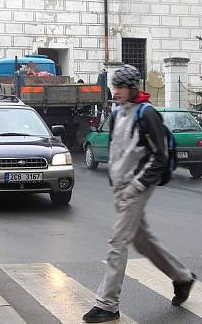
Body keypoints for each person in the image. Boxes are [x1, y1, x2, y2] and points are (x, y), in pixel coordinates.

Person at [83, 65, 195, 323]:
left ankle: (107, 304)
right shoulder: (119, 112)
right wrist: (116, 179)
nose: (116, 91)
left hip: (137, 187)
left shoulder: (148, 114)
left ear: (133, 87)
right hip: (123, 187)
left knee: (117, 241)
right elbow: (118, 148)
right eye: (115, 86)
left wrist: (136, 185)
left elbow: (159, 157)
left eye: (121, 87)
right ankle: (182, 277)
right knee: (142, 241)